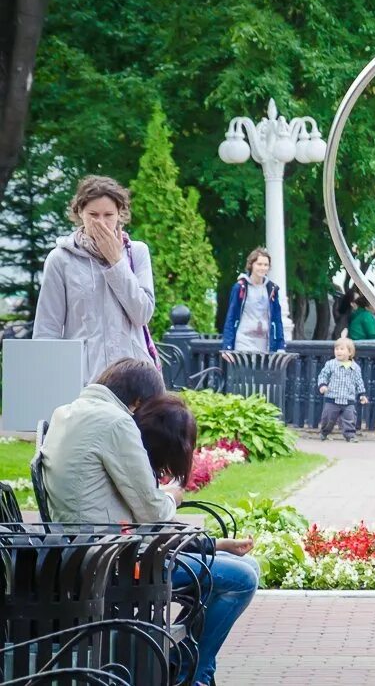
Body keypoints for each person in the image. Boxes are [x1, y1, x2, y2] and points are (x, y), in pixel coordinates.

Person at [41, 359, 258, 686]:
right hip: (118, 564)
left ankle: (183, 665)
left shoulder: (69, 412)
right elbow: (154, 512)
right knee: (242, 578)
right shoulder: (115, 423)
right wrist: (173, 495)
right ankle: (190, 674)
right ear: (139, 402)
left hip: (91, 553)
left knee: (243, 567)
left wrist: (211, 544)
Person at [33, 176, 156, 383]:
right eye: (93, 215)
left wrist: (116, 261)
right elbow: (47, 330)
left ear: (120, 215)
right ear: (80, 213)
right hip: (84, 378)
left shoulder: (137, 252)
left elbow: (142, 314)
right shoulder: (60, 259)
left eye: (108, 214)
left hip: (132, 378)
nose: (101, 222)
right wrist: (51, 382)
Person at [220, 247, 285, 360]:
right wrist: (227, 347)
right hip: (243, 342)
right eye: (259, 264)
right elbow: (231, 317)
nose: (263, 268)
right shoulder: (240, 287)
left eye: (266, 265)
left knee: (263, 377)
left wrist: (280, 345)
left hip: (265, 343)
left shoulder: (272, 289)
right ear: (251, 265)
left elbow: (277, 319)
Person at [317, 337, 369, 442]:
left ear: (350, 352)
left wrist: (362, 394)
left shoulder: (355, 367)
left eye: (341, 349)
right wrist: (322, 385)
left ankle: (350, 436)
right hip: (332, 398)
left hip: (348, 399)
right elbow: (323, 375)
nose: (338, 351)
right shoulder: (330, 364)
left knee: (349, 419)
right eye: (336, 349)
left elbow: (359, 382)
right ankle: (324, 433)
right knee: (328, 419)